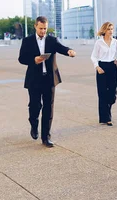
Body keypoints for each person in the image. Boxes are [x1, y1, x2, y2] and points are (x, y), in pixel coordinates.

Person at [18, 16, 76, 148]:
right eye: (41, 28)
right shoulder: (27, 41)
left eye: (45, 28)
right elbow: (21, 58)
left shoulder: (52, 40)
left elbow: (61, 48)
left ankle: (46, 137)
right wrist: (34, 60)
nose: (43, 31)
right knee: (35, 105)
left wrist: (69, 51)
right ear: (35, 27)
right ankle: (33, 124)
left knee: (49, 108)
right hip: (34, 79)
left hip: (49, 79)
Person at [91, 22, 117, 126]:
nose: (111, 31)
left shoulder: (116, 42)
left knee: (112, 92)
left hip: (112, 67)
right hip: (102, 67)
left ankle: (107, 112)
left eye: (112, 29)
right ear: (104, 30)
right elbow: (94, 56)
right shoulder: (99, 43)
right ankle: (106, 118)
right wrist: (97, 66)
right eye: (109, 29)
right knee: (102, 93)